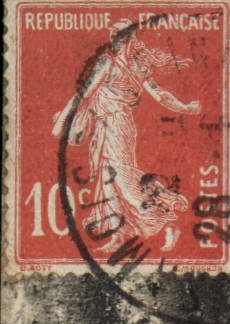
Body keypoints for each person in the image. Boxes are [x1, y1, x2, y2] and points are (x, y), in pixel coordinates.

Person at [51, 20, 201, 252]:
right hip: (105, 126)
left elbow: (161, 96)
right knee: (106, 179)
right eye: (123, 38)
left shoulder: (129, 66)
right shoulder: (111, 63)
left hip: (118, 126)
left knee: (123, 180)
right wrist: (62, 122)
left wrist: (187, 108)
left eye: (127, 37)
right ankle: (117, 234)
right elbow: (84, 95)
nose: (126, 42)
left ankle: (168, 221)